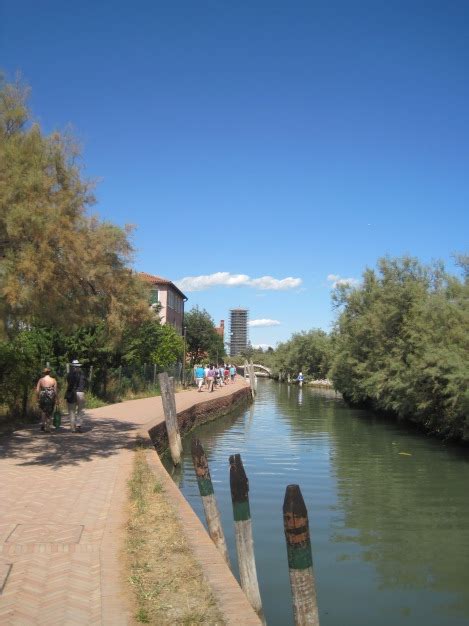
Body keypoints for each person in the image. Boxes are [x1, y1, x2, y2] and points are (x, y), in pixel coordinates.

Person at [65, 359, 86, 432]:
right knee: (80, 410)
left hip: (72, 393)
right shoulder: (82, 374)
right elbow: (84, 383)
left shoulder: (69, 375)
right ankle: (79, 425)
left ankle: (73, 428)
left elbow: (69, 384)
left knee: (72, 411)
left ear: (72, 366)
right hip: (81, 392)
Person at [36, 368, 58, 432]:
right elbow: (55, 391)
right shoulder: (53, 380)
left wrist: (37, 398)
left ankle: (43, 425)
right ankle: (48, 427)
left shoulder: (41, 380)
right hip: (51, 396)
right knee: (50, 412)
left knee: (43, 411)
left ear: (44, 373)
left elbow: (37, 390)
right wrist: (57, 399)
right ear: (49, 372)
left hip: (43, 395)